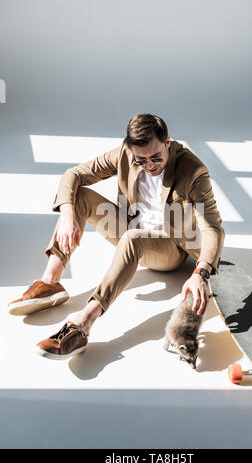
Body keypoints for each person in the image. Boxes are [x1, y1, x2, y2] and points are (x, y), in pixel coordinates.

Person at [7, 113, 225, 359]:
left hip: (170, 247)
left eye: (157, 157)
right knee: (79, 196)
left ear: (168, 143)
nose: (150, 165)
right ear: (131, 149)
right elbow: (73, 175)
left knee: (132, 238)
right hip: (129, 226)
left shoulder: (194, 171)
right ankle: (50, 283)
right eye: (141, 160)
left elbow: (213, 227)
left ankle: (84, 322)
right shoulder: (124, 154)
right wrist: (68, 215)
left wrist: (201, 272)